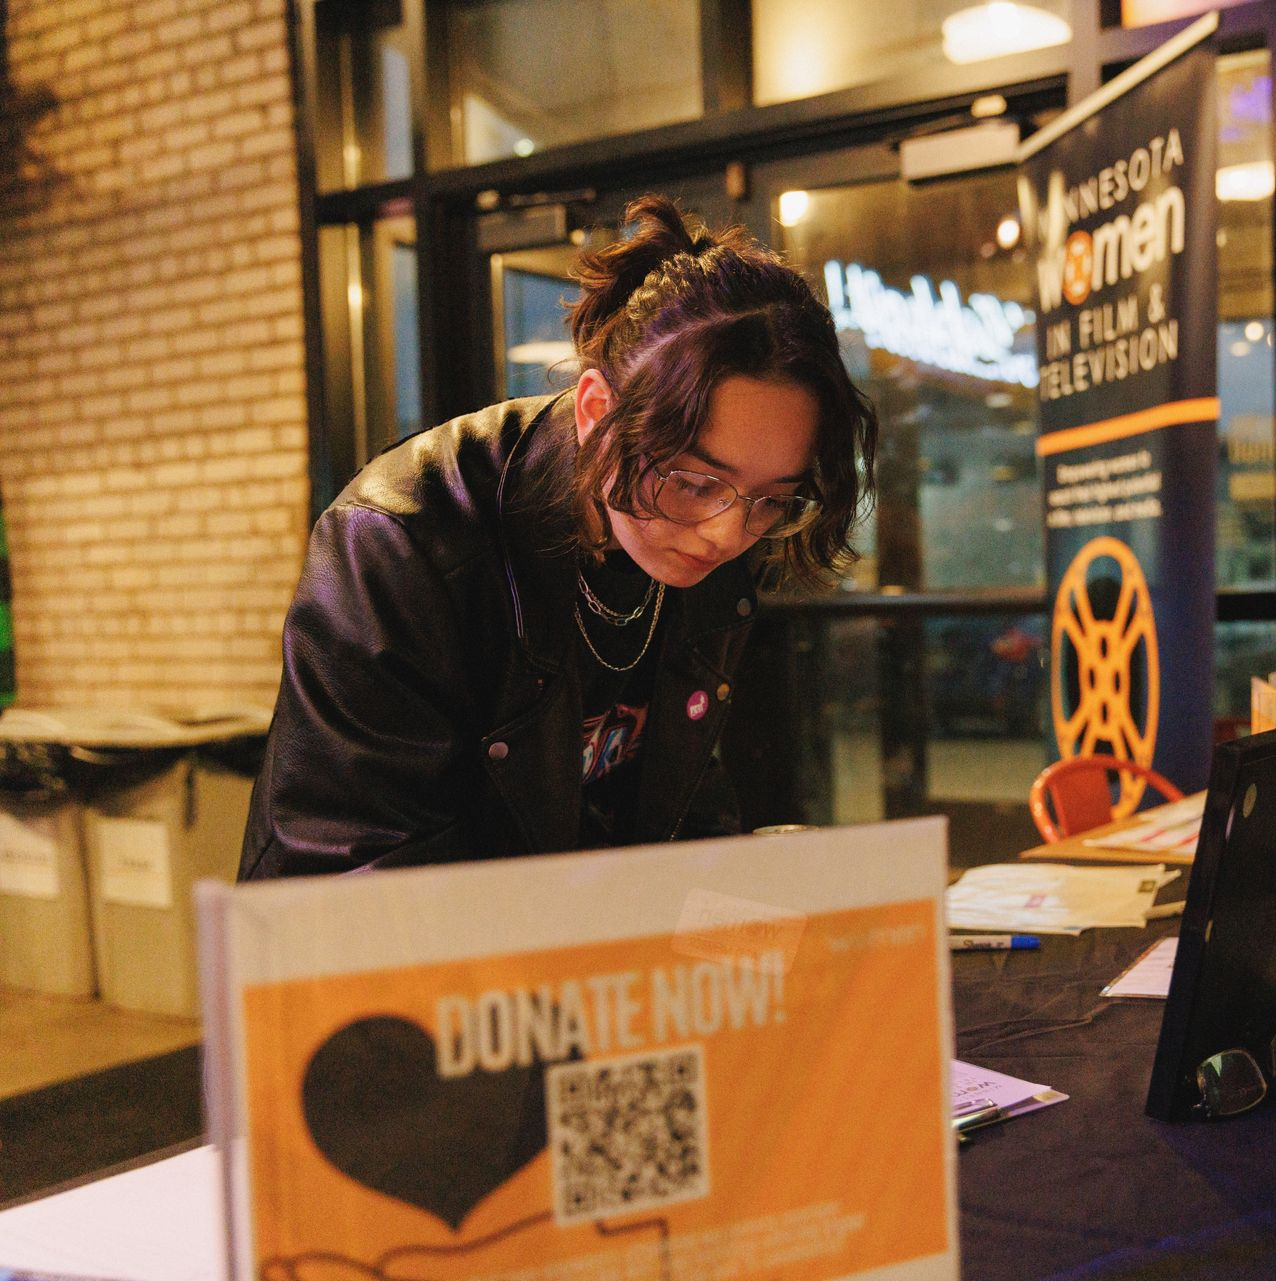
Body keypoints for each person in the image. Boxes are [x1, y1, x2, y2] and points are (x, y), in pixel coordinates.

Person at [238, 194, 877, 879]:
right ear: (599, 410)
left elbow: (679, 793)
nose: (727, 533)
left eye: (773, 499)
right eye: (694, 482)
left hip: (575, 957)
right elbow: (357, 869)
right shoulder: (399, 541)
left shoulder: (711, 529)